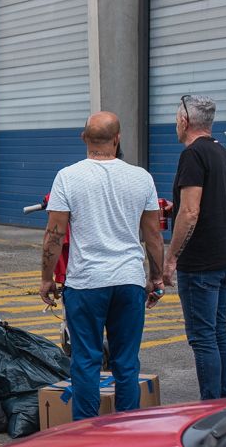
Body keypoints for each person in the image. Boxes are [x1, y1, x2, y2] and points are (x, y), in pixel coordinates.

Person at [39, 112, 165, 422]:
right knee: (126, 361)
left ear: (83, 137)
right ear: (118, 138)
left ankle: (86, 430)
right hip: (129, 281)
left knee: (86, 360)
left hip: (85, 283)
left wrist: (46, 278)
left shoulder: (68, 177)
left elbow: (53, 235)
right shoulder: (142, 177)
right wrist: (157, 277)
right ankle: (126, 429)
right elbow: (153, 235)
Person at [164, 94, 226, 400]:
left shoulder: (192, 155)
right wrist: (175, 208)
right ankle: (223, 400)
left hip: (202, 264)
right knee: (218, 332)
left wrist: (171, 259)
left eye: (175, 119)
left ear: (185, 120)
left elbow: (192, 211)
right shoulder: (221, 152)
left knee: (203, 338)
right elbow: (209, 203)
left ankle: (210, 406)